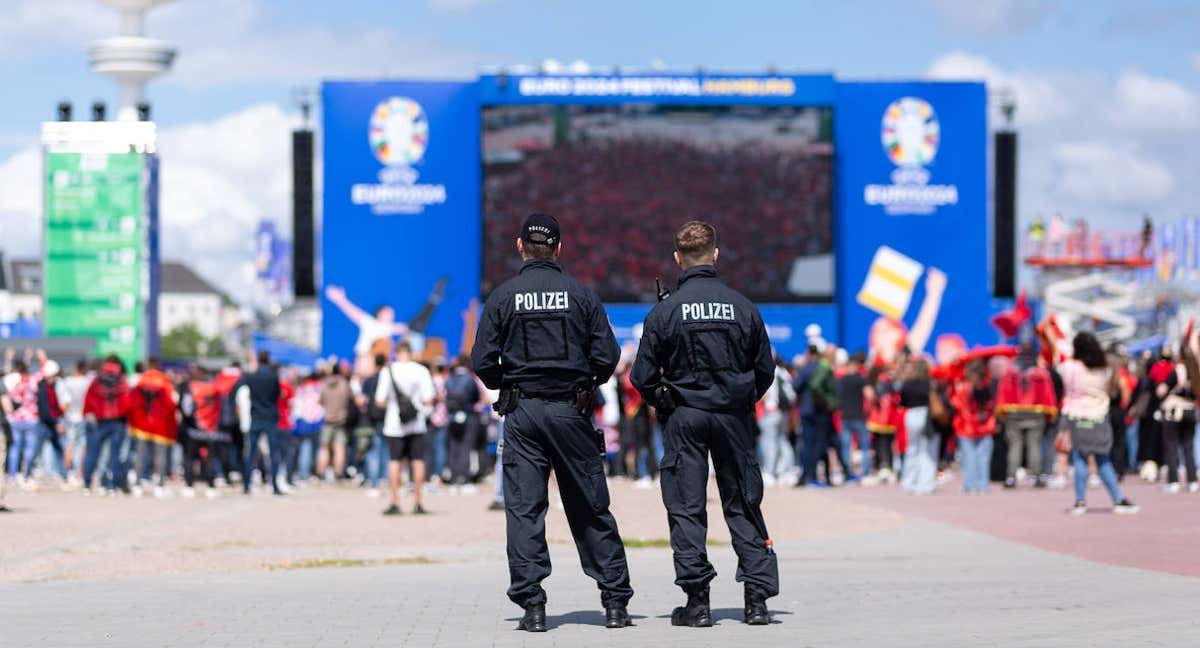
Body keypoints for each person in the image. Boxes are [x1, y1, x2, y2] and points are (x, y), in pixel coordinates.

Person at [472, 213, 633, 632]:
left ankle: (533, 607)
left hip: (522, 413)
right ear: (559, 249)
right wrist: (584, 382)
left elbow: (482, 361)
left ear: (520, 246)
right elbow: (608, 356)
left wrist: (506, 383)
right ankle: (615, 602)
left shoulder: (504, 296)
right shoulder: (580, 295)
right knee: (590, 505)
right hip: (570, 410)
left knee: (525, 509)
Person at [631, 220, 778, 628]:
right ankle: (757, 601)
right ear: (716, 254)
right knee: (744, 502)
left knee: (686, 507)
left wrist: (665, 399)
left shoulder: (665, 311)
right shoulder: (744, 307)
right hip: (733, 417)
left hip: (685, 417)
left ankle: (697, 604)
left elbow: (641, 377)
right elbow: (764, 370)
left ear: (678, 259)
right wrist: (739, 399)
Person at [1040, 326, 1139, 514]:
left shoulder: (1070, 368)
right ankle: (1118, 499)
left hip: (1076, 417)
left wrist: (1051, 337)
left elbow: (1058, 361)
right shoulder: (1105, 370)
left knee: (1079, 459)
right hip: (1099, 417)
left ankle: (1080, 501)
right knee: (1103, 459)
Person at [374, 342, 435, 515]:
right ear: (411, 352)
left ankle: (395, 501)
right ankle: (417, 501)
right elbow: (429, 398)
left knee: (394, 461)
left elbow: (379, 400)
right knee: (417, 461)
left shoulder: (388, 370)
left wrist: (395, 405)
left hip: (394, 423)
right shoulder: (420, 370)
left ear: (396, 353)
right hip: (417, 421)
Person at [996, 345, 1057, 488]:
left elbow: (1002, 393)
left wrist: (1002, 413)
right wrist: (1050, 413)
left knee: (1014, 445)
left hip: (1014, 413)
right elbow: (1048, 395)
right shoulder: (1041, 374)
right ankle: (1036, 476)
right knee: (1034, 445)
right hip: (1036, 413)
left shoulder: (1010, 373)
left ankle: (1011, 477)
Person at [127, 358, 179, 498]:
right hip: (160, 424)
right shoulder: (165, 382)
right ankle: (160, 486)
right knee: (160, 455)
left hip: (141, 424)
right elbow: (172, 403)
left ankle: (137, 485)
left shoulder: (141, 380)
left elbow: (132, 401)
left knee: (140, 454)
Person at [82, 356, 131, 495]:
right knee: (115, 454)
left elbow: (89, 399)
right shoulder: (121, 381)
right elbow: (128, 402)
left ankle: (87, 483)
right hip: (117, 421)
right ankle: (112, 485)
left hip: (99, 421)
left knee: (92, 453)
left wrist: (88, 414)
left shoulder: (97, 380)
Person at [236, 351, 283, 496]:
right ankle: (274, 485)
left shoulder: (251, 376)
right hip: (270, 416)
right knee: (273, 453)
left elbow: (237, 390)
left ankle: (246, 485)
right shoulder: (273, 376)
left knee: (250, 453)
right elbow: (277, 395)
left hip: (255, 416)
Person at [795, 344, 838, 487]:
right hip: (820, 411)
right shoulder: (822, 367)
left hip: (807, 410)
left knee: (807, 444)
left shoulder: (805, 368)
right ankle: (821, 476)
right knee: (821, 443)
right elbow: (817, 386)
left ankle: (808, 475)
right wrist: (827, 401)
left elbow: (796, 386)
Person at [899, 357, 937, 495]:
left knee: (912, 449)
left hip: (911, 415)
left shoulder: (907, 383)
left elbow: (902, 401)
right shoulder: (929, 384)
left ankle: (909, 482)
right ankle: (925, 484)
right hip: (926, 415)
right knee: (927, 451)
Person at [444, 355, 481, 491]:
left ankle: (454, 478)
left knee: (454, 447)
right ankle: (464, 478)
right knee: (466, 447)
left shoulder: (449, 379)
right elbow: (476, 397)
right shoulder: (470, 380)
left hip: (452, 416)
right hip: (468, 415)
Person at [316, 362, 352, 482]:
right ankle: (338, 474)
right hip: (341, 421)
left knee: (324, 448)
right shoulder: (344, 384)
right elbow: (351, 399)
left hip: (327, 420)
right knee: (339, 449)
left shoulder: (324, 384)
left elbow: (320, 401)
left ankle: (320, 474)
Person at [838, 351, 870, 480]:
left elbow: (837, 398)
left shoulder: (841, 380)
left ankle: (847, 472)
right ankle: (864, 472)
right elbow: (869, 395)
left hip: (845, 416)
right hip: (858, 415)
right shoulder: (861, 379)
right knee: (864, 446)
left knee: (846, 446)